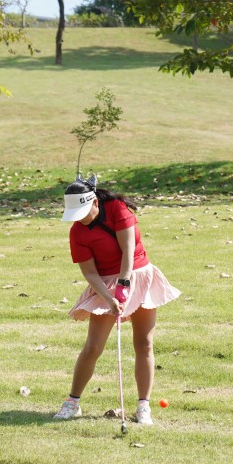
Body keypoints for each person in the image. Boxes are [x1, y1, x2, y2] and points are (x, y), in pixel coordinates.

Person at [54, 175, 180, 425]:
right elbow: (89, 272)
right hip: (105, 283)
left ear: (94, 203)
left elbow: (128, 250)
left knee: (144, 344)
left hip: (137, 274)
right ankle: (72, 402)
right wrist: (108, 297)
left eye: (83, 212)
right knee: (93, 346)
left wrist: (123, 285)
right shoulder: (77, 231)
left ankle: (143, 406)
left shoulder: (117, 209)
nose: (80, 218)